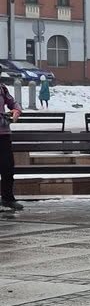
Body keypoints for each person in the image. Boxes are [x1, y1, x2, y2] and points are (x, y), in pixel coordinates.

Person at [0, 81, 22, 214]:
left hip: (3, 133)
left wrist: (16, 110)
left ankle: (8, 198)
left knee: (8, 166)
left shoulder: (2, 88)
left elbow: (13, 103)